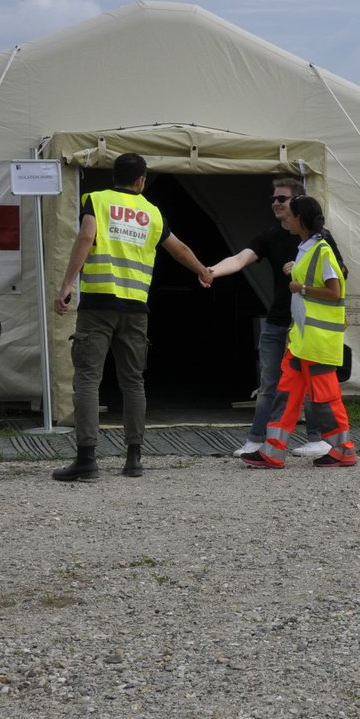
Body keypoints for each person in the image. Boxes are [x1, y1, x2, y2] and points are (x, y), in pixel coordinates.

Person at [51, 152, 212, 482]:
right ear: (141, 180)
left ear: (115, 176)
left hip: (98, 305)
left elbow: (86, 236)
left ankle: (86, 459)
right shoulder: (151, 212)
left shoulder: (96, 200)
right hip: (136, 309)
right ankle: (134, 458)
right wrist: (202, 270)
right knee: (133, 382)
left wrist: (67, 284)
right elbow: (178, 247)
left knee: (87, 379)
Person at [207, 176, 327, 459]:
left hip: (307, 322)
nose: (275, 203)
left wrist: (301, 271)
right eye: (273, 198)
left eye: (282, 199)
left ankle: (317, 438)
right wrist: (210, 271)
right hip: (278, 320)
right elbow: (239, 260)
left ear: (297, 204)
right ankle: (257, 439)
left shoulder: (320, 241)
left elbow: (337, 276)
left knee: (311, 382)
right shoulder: (269, 236)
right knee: (268, 381)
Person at [241, 196, 357, 468]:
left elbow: (334, 292)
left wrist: (301, 288)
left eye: (289, 215)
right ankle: (273, 449)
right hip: (303, 339)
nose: (285, 219)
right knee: (286, 393)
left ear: (301, 220)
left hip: (318, 342)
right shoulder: (306, 247)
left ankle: (344, 449)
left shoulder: (321, 249)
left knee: (324, 399)